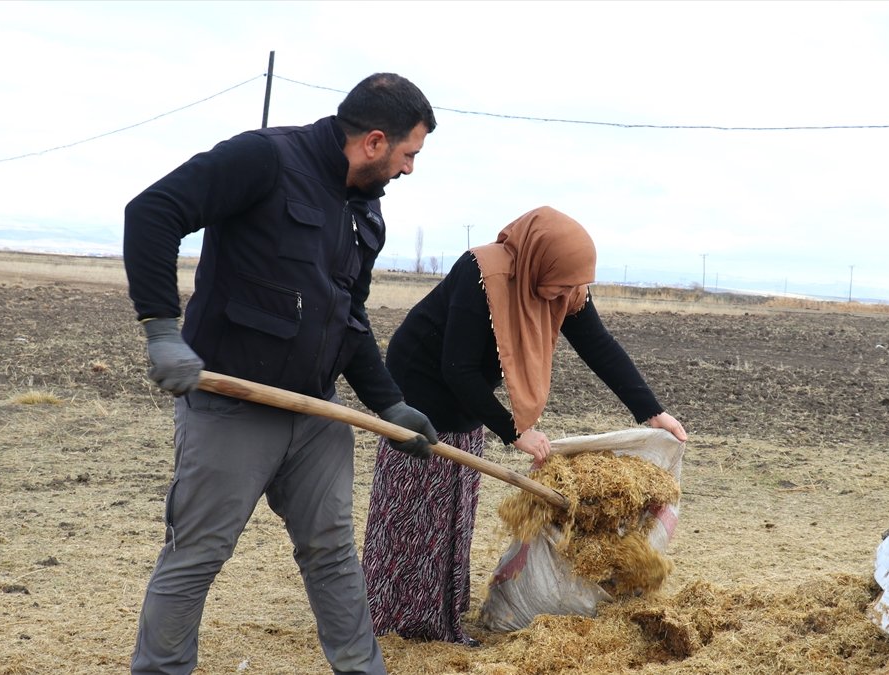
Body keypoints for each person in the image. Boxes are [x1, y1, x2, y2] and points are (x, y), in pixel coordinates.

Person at [123, 73, 440, 675]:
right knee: (198, 554)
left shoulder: (364, 213)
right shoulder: (264, 158)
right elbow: (153, 212)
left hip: (315, 414)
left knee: (332, 554)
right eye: (409, 154)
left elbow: (348, 317)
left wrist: (389, 405)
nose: (409, 169)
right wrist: (161, 330)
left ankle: (361, 668)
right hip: (232, 406)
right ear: (375, 140)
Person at [361, 206, 688, 646]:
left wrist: (651, 411)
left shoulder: (564, 286)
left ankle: (439, 614)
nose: (568, 296)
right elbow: (456, 368)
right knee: (418, 506)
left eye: (576, 287)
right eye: (563, 285)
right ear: (538, 259)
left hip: (466, 392)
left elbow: (599, 346)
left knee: (455, 506)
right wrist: (514, 430)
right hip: (421, 385)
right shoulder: (481, 272)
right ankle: (396, 615)